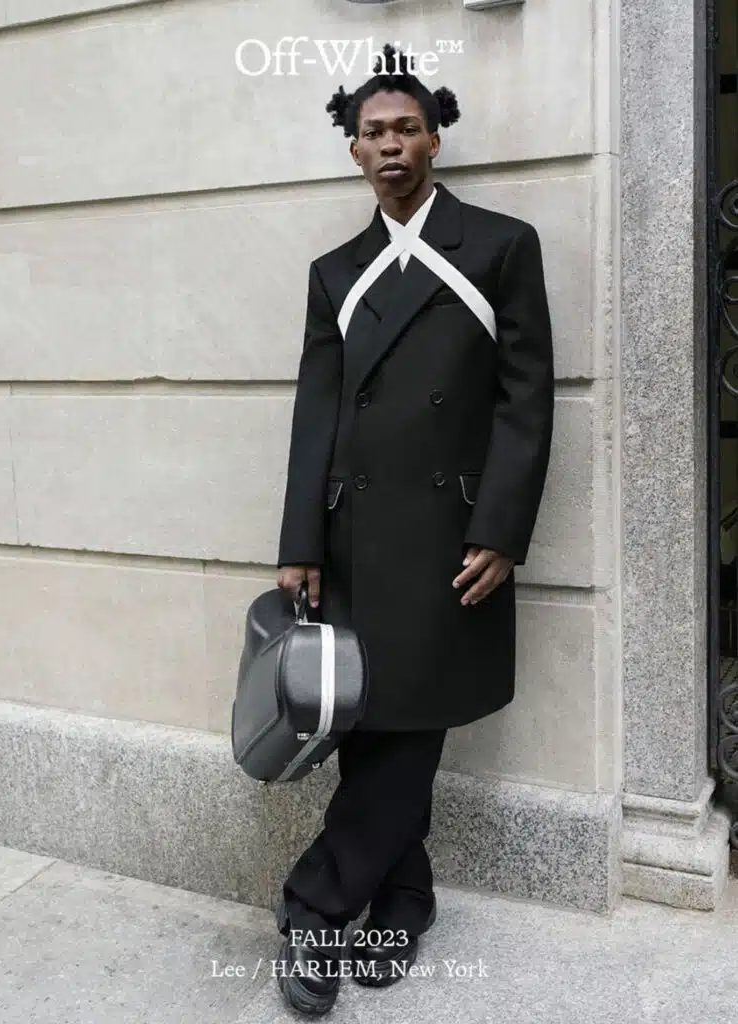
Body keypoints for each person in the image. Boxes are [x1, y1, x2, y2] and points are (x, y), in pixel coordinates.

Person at [273, 43, 554, 1015]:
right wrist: (299, 544)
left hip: (450, 542)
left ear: (435, 135)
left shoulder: (502, 244)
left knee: (406, 730)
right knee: (375, 731)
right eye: (371, 132)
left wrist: (503, 528)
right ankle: (403, 897)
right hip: (352, 539)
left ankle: (313, 906)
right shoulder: (334, 272)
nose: (390, 145)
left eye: (405, 127)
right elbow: (318, 414)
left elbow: (527, 401)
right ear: (352, 150)